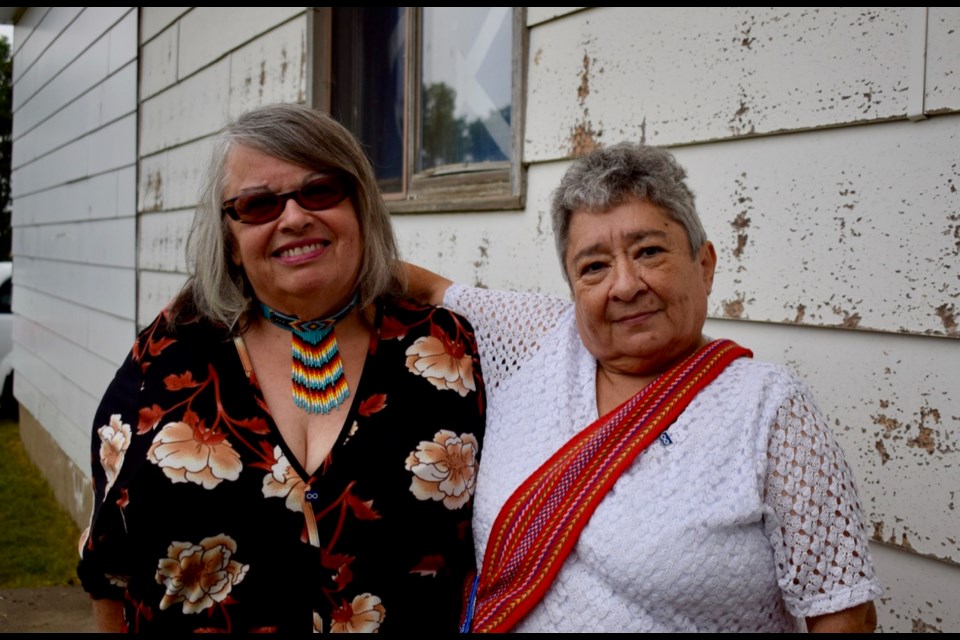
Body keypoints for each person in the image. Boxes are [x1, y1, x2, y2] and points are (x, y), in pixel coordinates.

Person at [406, 142, 882, 633]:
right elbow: (423, 287)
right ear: (572, 290)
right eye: (594, 267)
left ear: (705, 265)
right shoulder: (542, 336)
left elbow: (842, 615)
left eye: (648, 252)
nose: (625, 285)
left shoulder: (769, 406)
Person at [77, 103, 485, 633]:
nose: (293, 218)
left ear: (361, 206)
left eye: (320, 190)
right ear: (231, 239)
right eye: (258, 204)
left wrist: (441, 288)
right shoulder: (167, 353)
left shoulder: (450, 347)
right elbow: (108, 562)